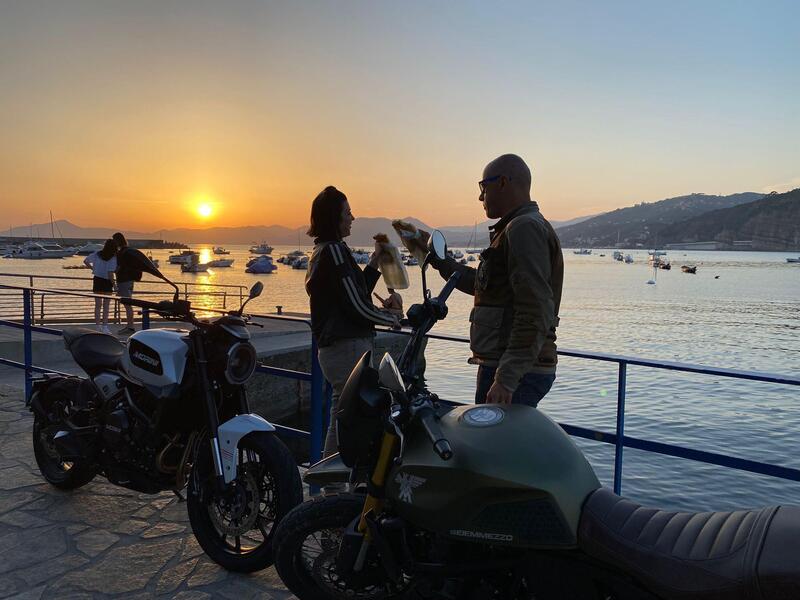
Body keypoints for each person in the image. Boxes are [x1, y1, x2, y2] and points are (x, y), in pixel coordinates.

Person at [429, 154, 563, 407]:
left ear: (502, 182)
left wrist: (506, 378)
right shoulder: (515, 228)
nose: (481, 197)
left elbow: (535, 308)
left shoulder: (523, 228)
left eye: (483, 187)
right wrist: (441, 262)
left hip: (515, 371)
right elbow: (485, 286)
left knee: (493, 434)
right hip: (509, 366)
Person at [304, 186, 398, 458]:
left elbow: (355, 293)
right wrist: (391, 318)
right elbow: (355, 305)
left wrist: (374, 262)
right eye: (347, 213)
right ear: (334, 217)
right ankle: (331, 475)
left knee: (345, 413)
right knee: (345, 416)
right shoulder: (333, 252)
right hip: (345, 346)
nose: (352, 218)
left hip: (339, 347)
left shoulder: (327, 250)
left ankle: (335, 474)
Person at [83, 239, 118, 334]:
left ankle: (97, 326)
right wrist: (114, 285)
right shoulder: (113, 258)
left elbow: (85, 261)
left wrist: (93, 269)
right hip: (107, 282)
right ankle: (105, 327)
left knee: (98, 305)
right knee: (106, 306)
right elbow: (110, 273)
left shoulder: (97, 254)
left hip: (97, 280)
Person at [112, 232, 141, 335]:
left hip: (123, 281)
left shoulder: (121, 253)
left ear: (117, 241)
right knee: (128, 304)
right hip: (130, 280)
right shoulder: (128, 251)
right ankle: (130, 326)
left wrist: (110, 271)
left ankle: (130, 327)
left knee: (127, 305)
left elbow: (118, 268)